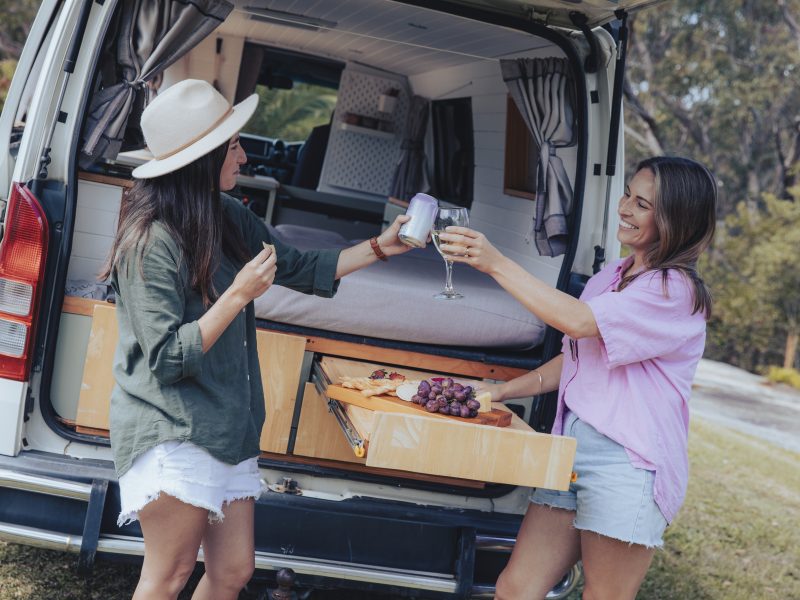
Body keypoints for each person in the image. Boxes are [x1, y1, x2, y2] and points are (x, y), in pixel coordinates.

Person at [100, 79, 413, 600]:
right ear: (201, 160)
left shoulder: (224, 216)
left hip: (226, 424)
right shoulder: (150, 240)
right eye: (233, 146)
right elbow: (167, 359)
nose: (244, 155)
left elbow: (300, 265)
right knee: (169, 575)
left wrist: (384, 245)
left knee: (233, 571)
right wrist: (239, 294)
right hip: (173, 426)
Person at [438, 156, 717, 600]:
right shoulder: (614, 275)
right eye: (627, 194)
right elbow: (579, 353)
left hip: (627, 464)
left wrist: (495, 263)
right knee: (515, 588)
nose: (624, 208)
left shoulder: (674, 290)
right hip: (569, 452)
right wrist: (504, 390)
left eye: (641, 204)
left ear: (675, 220)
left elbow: (579, 323)